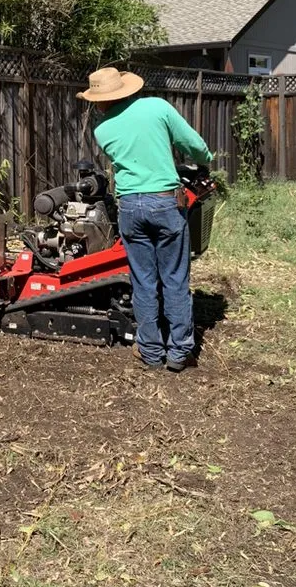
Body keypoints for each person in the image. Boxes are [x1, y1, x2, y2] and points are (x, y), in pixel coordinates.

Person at [78, 67, 213, 372]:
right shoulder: (156, 107)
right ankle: (179, 352)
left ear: (102, 100)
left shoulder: (102, 129)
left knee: (143, 281)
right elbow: (193, 145)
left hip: (130, 208)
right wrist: (204, 159)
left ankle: (150, 350)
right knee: (175, 279)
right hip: (165, 203)